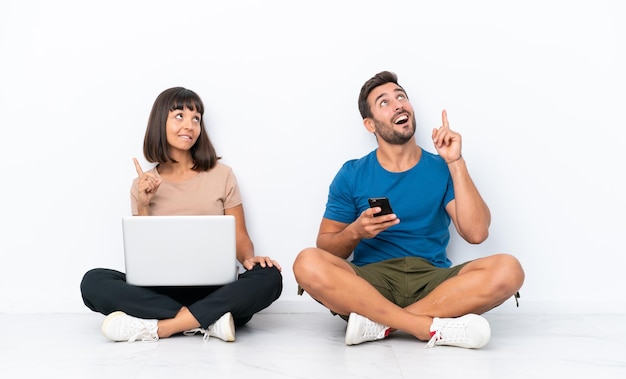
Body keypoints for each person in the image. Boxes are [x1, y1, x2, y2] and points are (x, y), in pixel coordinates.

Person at [293, 71, 524, 349]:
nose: (398, 104)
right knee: (306, 262)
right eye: (384, 102)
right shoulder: (352, 173)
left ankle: (382, 324)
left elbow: (476, 233)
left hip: (433, 282)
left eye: (401, 97)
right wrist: (356, 231)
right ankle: (424, 327)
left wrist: (456, 161)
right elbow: (326, 249)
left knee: (509, 269)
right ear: (370, 125)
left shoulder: (441, 167)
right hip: (370, 284)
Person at [81, 87, 283, 343]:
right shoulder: (143, 185)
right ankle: (209, 320)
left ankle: (163, 327)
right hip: (162, 291)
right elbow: (145, 257)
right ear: (159, 123)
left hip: (214, 289)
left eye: (196, 118)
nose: (190, 125)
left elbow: (240, 237)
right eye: (179, 116)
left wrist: (250, 259)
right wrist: (144, 204)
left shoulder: (223, 175)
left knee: (270, 277)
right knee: (93, 282)